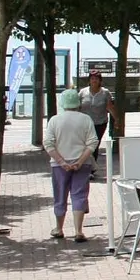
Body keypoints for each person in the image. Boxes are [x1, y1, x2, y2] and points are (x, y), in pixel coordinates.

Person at [43, 89, 98, 241]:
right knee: (79, 195)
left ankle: (59, 228)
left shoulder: (54, 120)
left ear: (62, 103)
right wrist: (80, 161)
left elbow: (48, 143)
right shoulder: (86, 119)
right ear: (78, 103)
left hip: (59, 165)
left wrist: (61, 161)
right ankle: (78, 231)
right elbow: (93, 142)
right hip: (83, 163)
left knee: (60, 195)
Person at [77, 71, 115, 148]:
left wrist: (117, 119)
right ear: (89, 80)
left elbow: (109, 107)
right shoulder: (82, 92)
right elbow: (77, 107)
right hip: (84, 124)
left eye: (96, 79)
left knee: (94, 146)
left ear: (100, 81)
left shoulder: (105, 92)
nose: (94, 80)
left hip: (100, 123)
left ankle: (93, 160)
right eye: (92, 78)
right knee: (84, 145)